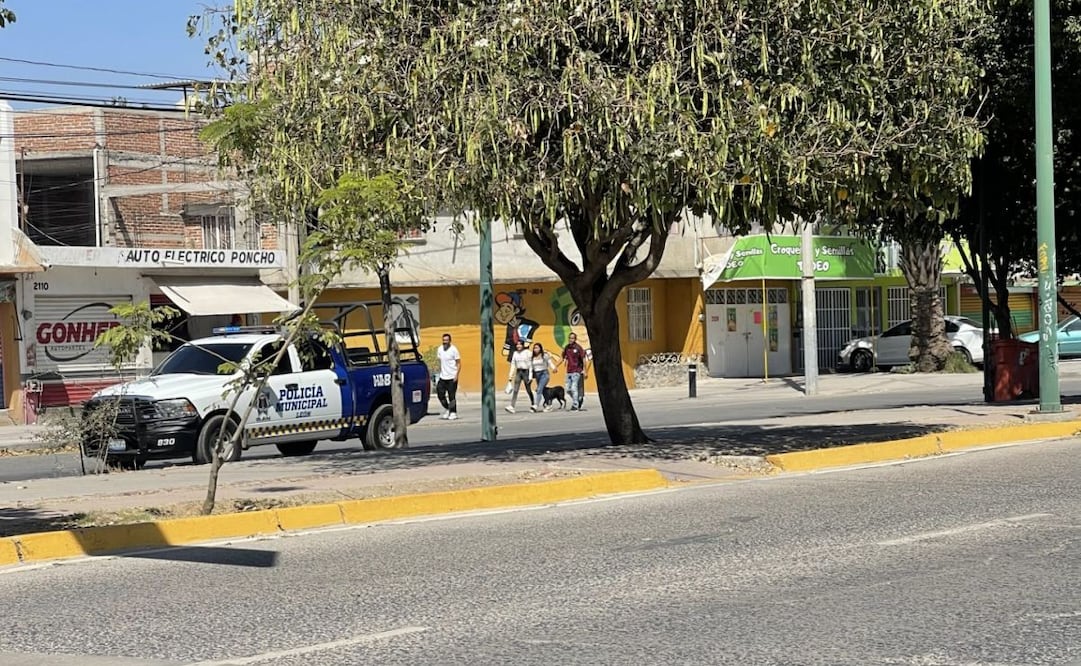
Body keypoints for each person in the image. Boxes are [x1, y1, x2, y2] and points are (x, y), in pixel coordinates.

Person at [557, 332, 588, 411]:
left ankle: (575, 405)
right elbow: (562, 357)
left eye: (572, 338)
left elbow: (583, 359)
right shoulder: (567, 348)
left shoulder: (578, 348)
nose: (571, 339)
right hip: (569, 371)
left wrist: (585, 371)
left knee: (574, 388)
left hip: (577, 371)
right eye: (570, 338)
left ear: (575, 339)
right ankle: (578, 399)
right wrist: (556, 366)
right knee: (568, 389)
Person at [436, 333, 461, 420]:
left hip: (452, 377)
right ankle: (447, 408)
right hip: (443, 377)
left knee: (451, 396)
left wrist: (456, 375)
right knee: (440, 394)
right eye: (443, 340)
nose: (445, 342)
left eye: (446, 340)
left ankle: (453, 412)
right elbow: (440, 362)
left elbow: (459, 363)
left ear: (450, 341)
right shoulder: (440, 349)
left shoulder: (454, 350)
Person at [505, 339, 533, 413]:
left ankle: (533, 404)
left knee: (528, 390)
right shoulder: (515, 353)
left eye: (520, 344)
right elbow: (513, 364)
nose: (518, 346)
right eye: (517, 344)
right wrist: (510, 376)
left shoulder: (528, 352)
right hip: (518, 372)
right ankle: (512, 406)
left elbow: (531, 365)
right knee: (515, 390)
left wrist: (530, 376)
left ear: (523, 345)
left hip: (526, 372)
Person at [529, 342, 558, 413]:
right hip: (537, 375)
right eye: (534, 348)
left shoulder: (544, 356)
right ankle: (549, 405)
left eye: (537, 348)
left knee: (539, 390)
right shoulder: (532, 357)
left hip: (544, 374)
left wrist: (554, 368)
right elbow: (531, 368)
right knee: (543, 390)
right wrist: (530, 377)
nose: (535, 349)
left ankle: (536, 405)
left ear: (540, 348)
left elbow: (550, 362)